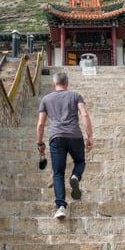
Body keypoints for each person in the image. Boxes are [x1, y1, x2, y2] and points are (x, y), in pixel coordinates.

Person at [36, 71, 94, 220]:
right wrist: (90, 137)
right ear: (67, 84)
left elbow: (41, 123)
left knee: (58, 173)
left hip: (56, 138)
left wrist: (40, 143)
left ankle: (61, 207)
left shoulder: (46, 99)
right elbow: (85, 114)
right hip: (75, 135)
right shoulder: (76, 96)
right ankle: (75, 175)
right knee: (80, 161)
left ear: (53, 84)